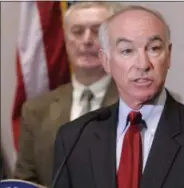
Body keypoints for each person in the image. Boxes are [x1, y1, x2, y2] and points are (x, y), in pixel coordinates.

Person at [53, 5, 184, 188]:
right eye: (127, 51)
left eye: (154, 48)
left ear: (168, 56)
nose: (143, 64)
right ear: (106, 61)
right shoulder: (74, 138)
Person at [13, 2, 122, 187]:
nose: (87, 40)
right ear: (65, 39)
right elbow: (24, 182)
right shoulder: (36, 111)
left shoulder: (145, 105)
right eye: (77, 31)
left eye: (97, 31)